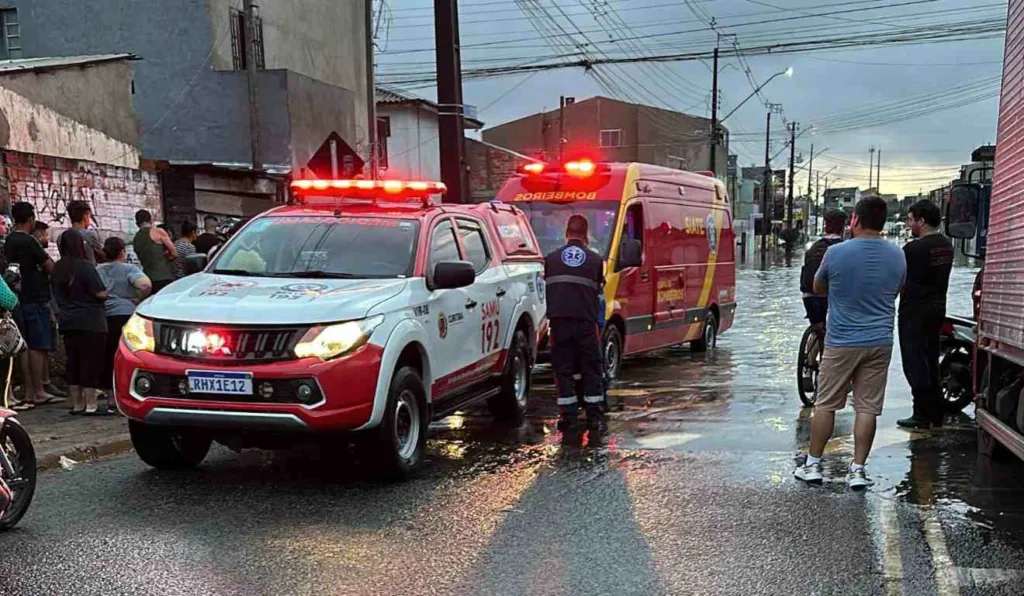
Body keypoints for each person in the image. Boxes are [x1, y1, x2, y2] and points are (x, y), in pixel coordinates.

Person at [794, 197, 906, 490]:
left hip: (842, 340)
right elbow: (899, 288)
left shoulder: (836, 253)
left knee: (826, 404)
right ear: (882, 222)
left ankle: (813, 465)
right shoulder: (898, 255)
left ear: (855, 219)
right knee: (867, 408)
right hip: (880, 341)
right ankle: (858, 470)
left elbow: (817, 286)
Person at [544, 214, 606, 431]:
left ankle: (568, 417)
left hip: (559, 323)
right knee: (591, 369)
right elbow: (598, 292)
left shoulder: (550, 259)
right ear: (586, 235)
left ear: (566, 233)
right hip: (586, 324)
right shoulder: (596, 260)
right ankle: (594, 417)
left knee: (563, 369)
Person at [897, 200, 955, 430]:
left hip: (913, 311)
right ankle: (935, 412)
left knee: (913, 362)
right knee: (931, 359)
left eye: (911, 219)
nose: (909, 224)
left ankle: (921, 413)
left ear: (921, 221)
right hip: (938, 308)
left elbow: (900, 281)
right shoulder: (946, 245)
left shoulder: (913, 249)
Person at [4, 202, 61, 410]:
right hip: (35, 297)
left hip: (18, 297)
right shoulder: (29, 241)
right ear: (31, 220)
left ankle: (29, 390)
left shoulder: (8, 241)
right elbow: (49, 266)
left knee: (25, 346)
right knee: (38, 344)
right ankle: (37, 390)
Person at [53, 229, 110, 415]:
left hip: (67, 320)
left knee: (74, 361)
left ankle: (77, 404)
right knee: (90, 362)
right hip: (91, 320)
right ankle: (92, 405)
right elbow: (99, 293)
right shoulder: (85, 266)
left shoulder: (57, 267)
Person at [97, 237, 151, 408]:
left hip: (103, 316)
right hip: (125, 314)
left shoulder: (97, 270)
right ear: (122, 252)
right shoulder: (129, 268)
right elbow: (145, 285)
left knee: (106, 356)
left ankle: (110, 396)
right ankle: (125, 394)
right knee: (124, 355)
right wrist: (137, 300)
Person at [31, 222, 69, 400]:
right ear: (38, 234)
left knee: (47, 344)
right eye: (45, 234)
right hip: (43, 301)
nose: (47, 238)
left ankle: (46, 382)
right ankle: (42, 384)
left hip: (46, 300)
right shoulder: (36, 251)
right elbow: (51, 268)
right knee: (42, 343)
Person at [800, 210, 847, 327]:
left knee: (818, 329)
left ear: (825, 227)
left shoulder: (814, 247)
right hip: (831, 299)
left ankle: (816, 338)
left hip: (808, 298)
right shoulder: (845, 248)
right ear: (843, 228)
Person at [133, 209, 176, 293]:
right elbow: (174, 253)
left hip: (148, 278)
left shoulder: (136, 239)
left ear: (137, 224)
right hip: (164, 277)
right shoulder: (158, 231)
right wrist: (165, 258)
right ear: (151, 220)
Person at [67, 200, 105, 264]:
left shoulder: (61, 237)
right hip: (88, 271)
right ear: (85, 216)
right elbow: (102, 256)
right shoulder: (88, 234)